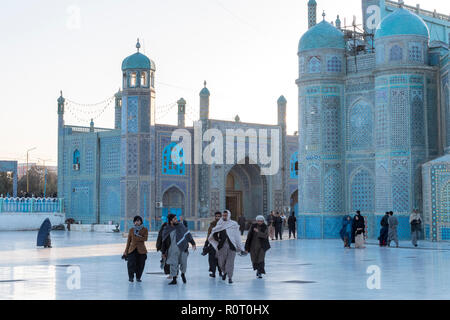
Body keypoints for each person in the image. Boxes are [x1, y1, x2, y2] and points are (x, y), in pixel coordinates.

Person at [208, 210, 246, 284]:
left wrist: (240, 247)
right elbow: (214, 233)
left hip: (232, 246)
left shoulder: (233, 224)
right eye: (223, 215)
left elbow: (237, 236)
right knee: (221, 262)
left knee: (230, 262)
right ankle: (224, 272)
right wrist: (217, 239)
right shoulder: (220, 224)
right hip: (222, 246)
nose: (224, 217)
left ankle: (230, 277)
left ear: (229, 215)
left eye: (226, 215)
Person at [161, 214, 196, 285]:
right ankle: (174, 279)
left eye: (176, 219)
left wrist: (193, 243)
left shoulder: (181, 226)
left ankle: (183, 274)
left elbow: (187, 235)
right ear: (171, 221)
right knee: (173, 264)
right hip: (172, 249)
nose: (176, 220)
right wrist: (163, 252)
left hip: (183, 248)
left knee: (184, 263)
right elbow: (164, 241)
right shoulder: (167, 229)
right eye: (174, 219)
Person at [123, 216, 148, 282]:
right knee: (130, 263)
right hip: (132, 249)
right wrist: (126, 251)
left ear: (141, 222)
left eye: (138, 221)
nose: (137, 222)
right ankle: (131, 277)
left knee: (141, 264)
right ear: (134, 222)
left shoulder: (145, 229)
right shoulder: (131, 230)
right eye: (135, 221)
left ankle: (138, 277)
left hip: (141, 250)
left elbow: (145, 238)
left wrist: (136, 238)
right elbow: (128, 241)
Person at [202, 211, 223, 278]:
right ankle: (213, 272)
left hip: (220, 244)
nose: (217, 218)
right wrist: (206, 244)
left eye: (219, 216)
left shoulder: (223, 224)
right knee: (212, 259)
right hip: (212, 244)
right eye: (216, 216)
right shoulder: (212, 224)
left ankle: (220, 272)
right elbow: (208, 234)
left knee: (220, 259)